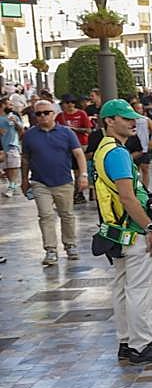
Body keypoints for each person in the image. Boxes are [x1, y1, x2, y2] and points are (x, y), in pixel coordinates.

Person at [93, 99, 152, 364]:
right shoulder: (117, 153)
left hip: (116, 231)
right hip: (133, 230)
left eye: (133, 118)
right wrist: (150, 226)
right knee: (139, 289)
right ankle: (142, 345)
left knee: (122, 288)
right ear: (109, 121)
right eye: (125, 118)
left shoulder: (102, 149)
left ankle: (126, 342)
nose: (133, 122)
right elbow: (129, 198)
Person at [22, 99, 88, 264]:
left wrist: (83, 175)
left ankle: (70, 244)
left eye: (46, 112)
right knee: (45, 215)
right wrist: (24, 180)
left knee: (67, 215)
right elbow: (25, 159)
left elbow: (79, 154)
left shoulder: (66, 133)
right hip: (39, 182)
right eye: (38, 113)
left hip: (64, 181)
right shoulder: (29, 135)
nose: (43, 116)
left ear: (53, 114)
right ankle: (50, 249)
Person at [0, 96, 22, 197]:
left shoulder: (14, 116)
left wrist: (16, 122)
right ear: (3, 105)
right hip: (2, 148)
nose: (11, 106)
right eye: (9, 104)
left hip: (13, 145)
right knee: (7, 169)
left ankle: (12, 186)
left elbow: (21, 130)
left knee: (14, 167)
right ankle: (12, 185)